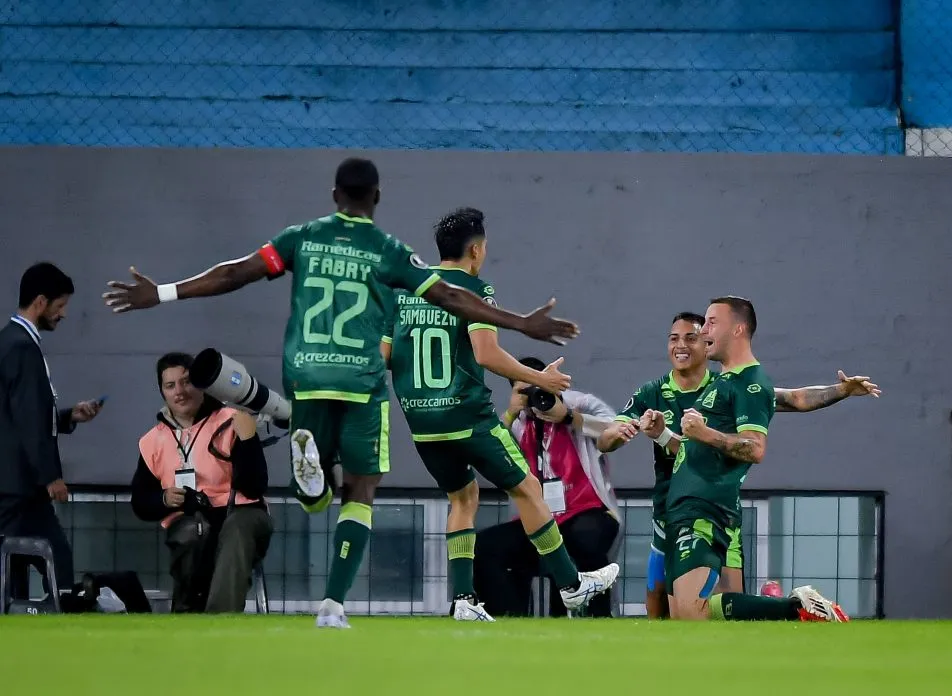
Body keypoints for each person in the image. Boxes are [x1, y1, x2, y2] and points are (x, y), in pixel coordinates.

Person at [102, 158, 580, 629]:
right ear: (376, 198)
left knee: (323, 494)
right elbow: (453, 298)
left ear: (334, 196)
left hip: (308, 375)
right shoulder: (387, 251)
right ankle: (333, 603)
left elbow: (236, 272)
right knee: (362, 492)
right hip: (362, 383)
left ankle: (313, 483)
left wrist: (162, 293)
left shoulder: (302, 238)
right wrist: (523, 324)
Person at [384, 208, 619, 621]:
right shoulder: (473, 289)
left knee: (463, 497)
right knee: (527, 486)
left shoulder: (405, 292)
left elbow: (385, 355)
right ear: (475, 250)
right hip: (466, 415)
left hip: (422, 423)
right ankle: (571, 586)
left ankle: (462, 602)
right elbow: (486, 354)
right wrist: (540, 380)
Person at [598, 311, 882, 618]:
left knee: (717, 604)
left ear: (706, 344)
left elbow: (793, 399)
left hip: (712, 505)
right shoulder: (652, 392)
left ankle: (790, 609)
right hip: (668, 510)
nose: (681, 346)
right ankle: (784, 606)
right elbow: (607, 438)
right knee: (668, 613)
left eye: (691, 338)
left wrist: (840, 390)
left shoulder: (726, 387)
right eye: (673, 339)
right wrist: (625, 431)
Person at [652, 296, 847, 621]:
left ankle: (796, 609)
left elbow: (755, 447)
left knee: (691, 611)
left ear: (738, 329)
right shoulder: (726, 381)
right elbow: (795, 399)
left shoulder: (750, 383)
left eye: (713, 322)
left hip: (704, 507)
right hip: (682, 508)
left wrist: (704, 433)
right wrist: (840, 390)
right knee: (683, 620)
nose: (704, 329)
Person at [474, 357, 622, 617]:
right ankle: (508, 620)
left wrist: (568, 417)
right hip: (538, 521)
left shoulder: (577, 403)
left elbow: (617, 427)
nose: (535, 397)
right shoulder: (517, 422)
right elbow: (489, 458)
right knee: (486, 546)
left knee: (582, 542)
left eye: (539, 387)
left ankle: (598, 618)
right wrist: (509, 414)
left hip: (586, 512)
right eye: (525, 390)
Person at [130, 352, 273, 613]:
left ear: (201, 385)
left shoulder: (232, 420)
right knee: (193, 531)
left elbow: (255, 486)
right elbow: (140, 503)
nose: (179, 392)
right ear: (162, 391)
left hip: (243, 514)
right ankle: (187, 614)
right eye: (170, 385)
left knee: (236, 529)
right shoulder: (152, 441)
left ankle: (219, 619)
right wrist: (163, 500)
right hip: (192, 521)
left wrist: (249, 440)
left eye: (186, 382)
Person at [0, 262, 103, 599]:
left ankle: (20, 621)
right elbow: (29, 421)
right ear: (41, 302)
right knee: (55, 557)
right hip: (21, 487)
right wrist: (51, 476)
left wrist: (68, 416)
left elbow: (17, 417)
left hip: (16, 484)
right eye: (61, 306)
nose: (64, 315)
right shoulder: (22, 348)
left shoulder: (9, 342)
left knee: (15, 565)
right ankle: (63, 619)